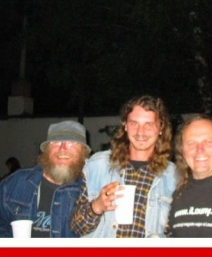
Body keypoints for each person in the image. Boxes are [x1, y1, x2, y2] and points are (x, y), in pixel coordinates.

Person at [70, 95, 176, 238]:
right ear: (125, 125)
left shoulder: (174, 177)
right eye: (134, 123)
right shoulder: (97, 166)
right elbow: (76, 228)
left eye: (148, 124)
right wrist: (97, 207)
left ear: (161, 128)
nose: (140, 132)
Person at [0, 120, 91, 237]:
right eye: (56, 142)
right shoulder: (17, 182)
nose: (62, 148)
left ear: (83, 152)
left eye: (72, 143)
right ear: (46, 150)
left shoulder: (91, 191)